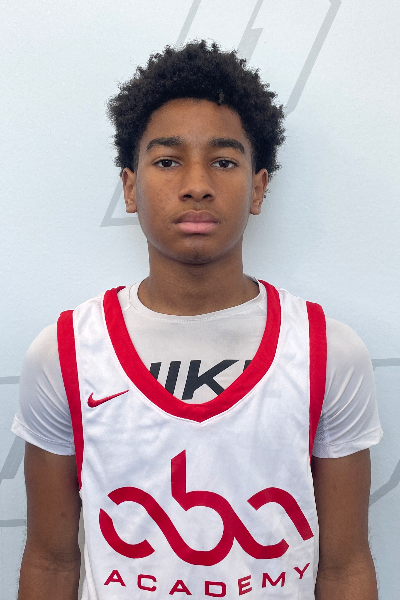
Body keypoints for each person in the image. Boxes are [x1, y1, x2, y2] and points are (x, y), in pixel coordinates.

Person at [12, 41, 382, 600]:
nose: (196, 184)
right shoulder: (65, 351)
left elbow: (345, 566)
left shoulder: (327, 350)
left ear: (258, 187)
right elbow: (50, 559)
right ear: (130, 187)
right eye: (167, 161)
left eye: (224, 161)